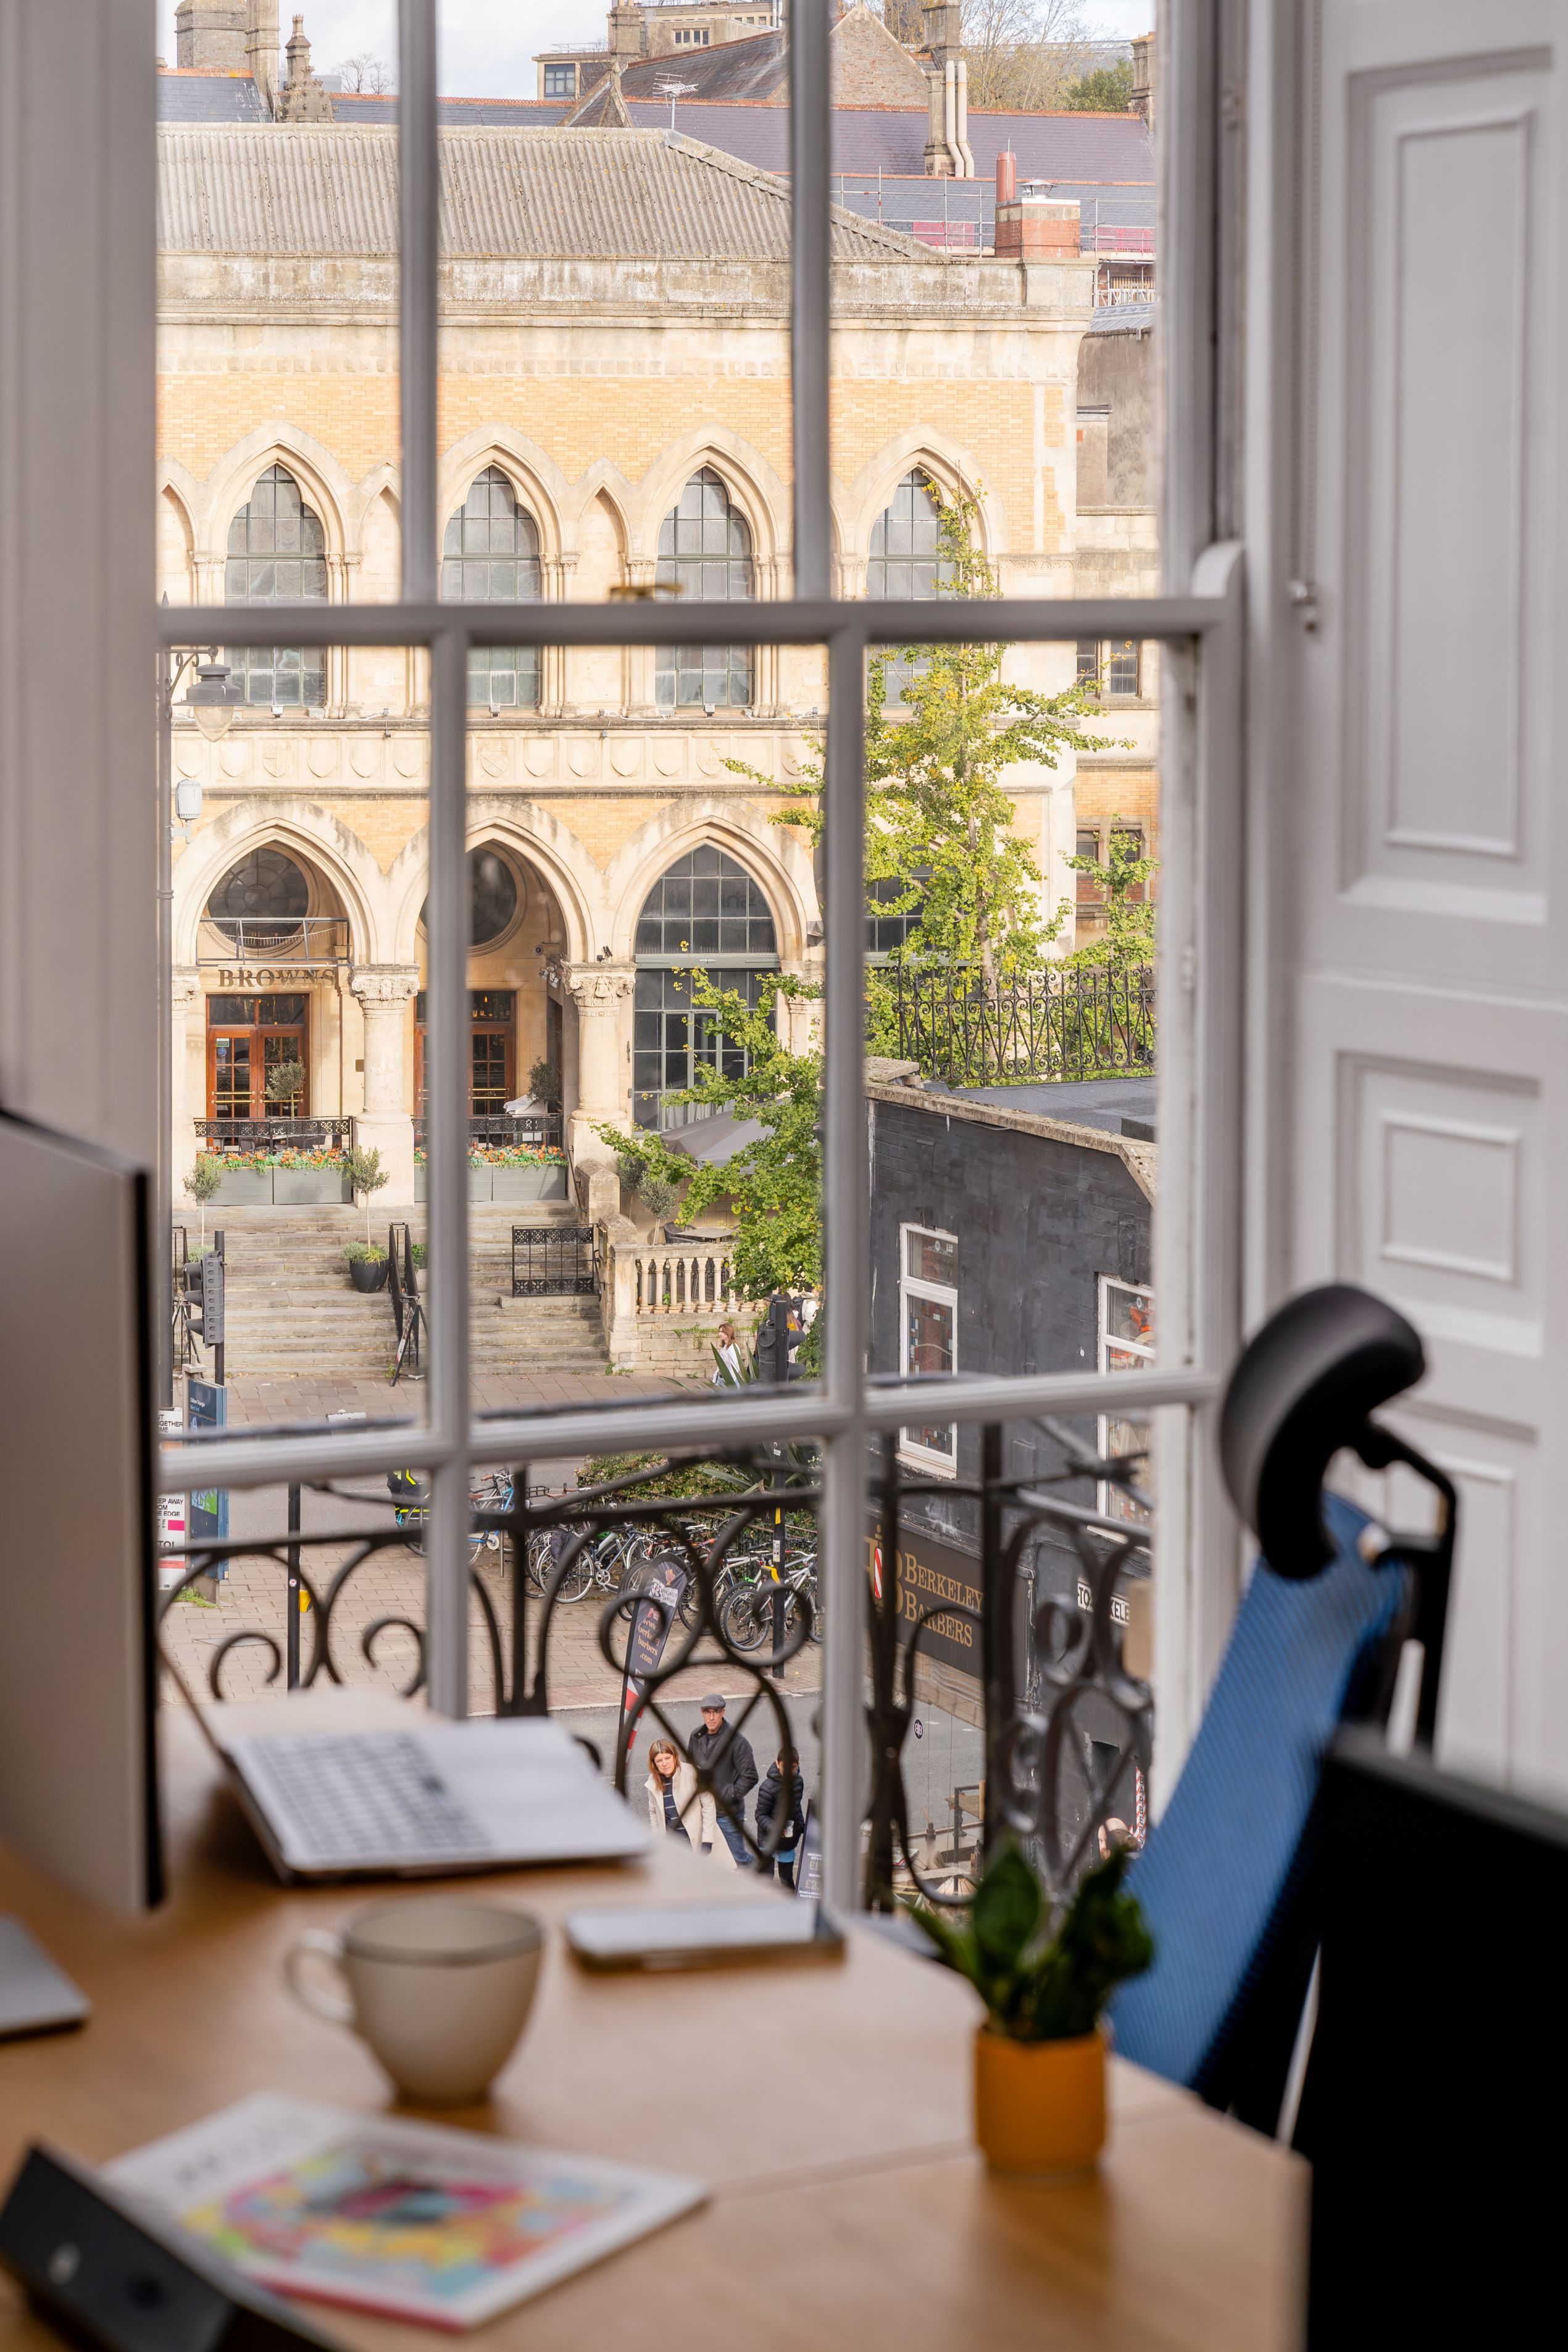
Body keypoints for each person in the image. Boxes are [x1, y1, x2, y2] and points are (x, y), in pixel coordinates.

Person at [688, 1692, 757, 1868]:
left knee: (737, 1858)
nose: (711, 1717)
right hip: (703, 1810)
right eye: (707, 1712)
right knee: (709, 1858)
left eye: (715, 1712)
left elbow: (750, 1776)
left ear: (723, 1712)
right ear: (702, 1712)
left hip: (727, 1813)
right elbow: (690, 1769)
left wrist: (727, 1795)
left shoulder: (737, 1741)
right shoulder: (696, 1737)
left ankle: (761, 1876)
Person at [754, 1744, 807, 1888]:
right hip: (768, 1840)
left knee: (786, 1880)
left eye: (793, 1768)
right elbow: (760, 1815)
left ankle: (791, 1908)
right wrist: (776, 1828)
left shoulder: (799, 1782)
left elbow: (797, 1807)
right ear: (777, 1763)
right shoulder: (767, 1787)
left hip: (788, 1840)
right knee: (765, 1880)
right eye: (785, 1767)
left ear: (798, 1765)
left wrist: (802, 1826)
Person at [644, 1737, 697, 1847]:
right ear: (654, 1764)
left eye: (667, 1758)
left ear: (674, 1757)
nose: (664, 1764)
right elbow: (654, 1813)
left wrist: (707, 1839)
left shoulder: (691, 1773)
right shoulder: (652, 1783)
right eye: (659, 1761)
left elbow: (708, 1806)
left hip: (698, 1842)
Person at [711, 1319, 743, 1387]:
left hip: (730, 1382)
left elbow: (734, 1368)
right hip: (721, 1379)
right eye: (719, 1332)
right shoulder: (724, 1347)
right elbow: (721, 1364)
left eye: (722, 1332)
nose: (719, 1334)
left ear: (728, 1333)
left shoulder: (733, 1348)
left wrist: (730, 1384)